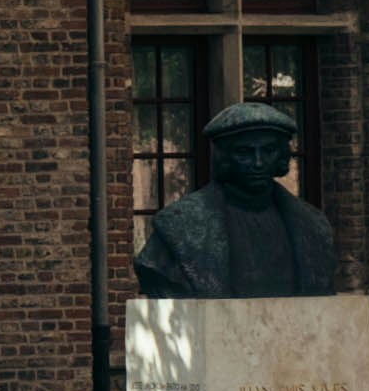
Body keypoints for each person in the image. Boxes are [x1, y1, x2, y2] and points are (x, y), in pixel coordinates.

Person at [135, 98, 346, 299]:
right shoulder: (179, 226)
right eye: (244, 152)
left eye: (269, 151)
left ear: (281, 156)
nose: (258, 163)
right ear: (224, 157)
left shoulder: (314, 226)